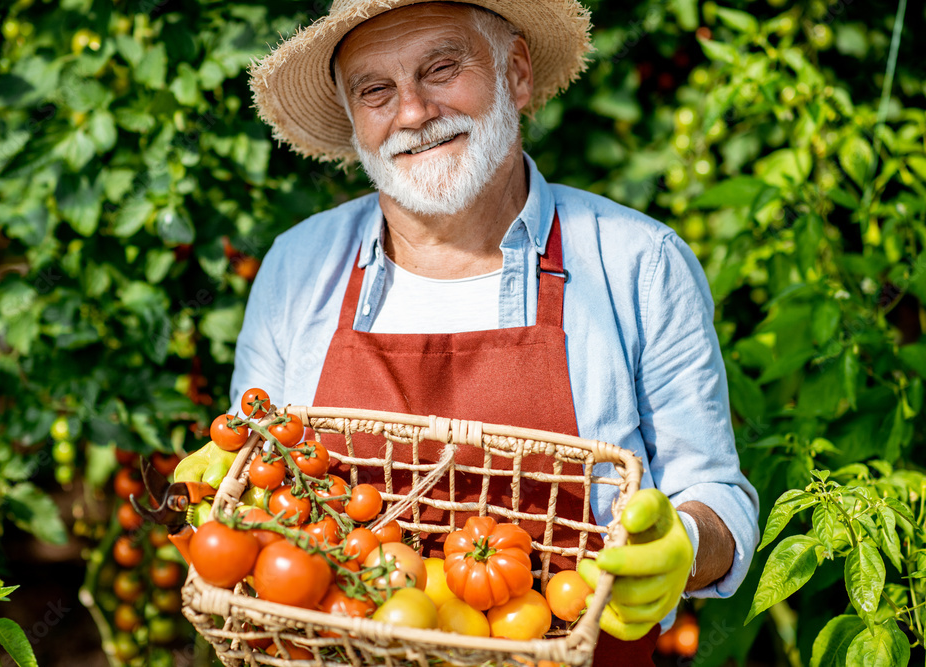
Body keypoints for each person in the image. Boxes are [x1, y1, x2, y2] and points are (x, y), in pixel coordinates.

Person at [232, 0, 759, 661]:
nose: (414, 112)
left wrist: (683, 544)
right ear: (353, 119)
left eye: (442, 68)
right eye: (376, 90)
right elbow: (253, 487)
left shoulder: (637, 261)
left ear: (515, 73)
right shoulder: (297, 269)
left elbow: (716, 495)